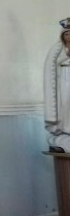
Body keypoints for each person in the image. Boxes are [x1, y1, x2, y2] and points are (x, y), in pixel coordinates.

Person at [45, 19, 70, 152]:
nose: (69, 36)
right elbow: (53, 63)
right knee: (65, 105)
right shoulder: (58, 49)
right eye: (67, 34)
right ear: (63, 35)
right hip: (64, 80)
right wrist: (66, 57)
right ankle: (64, 130)